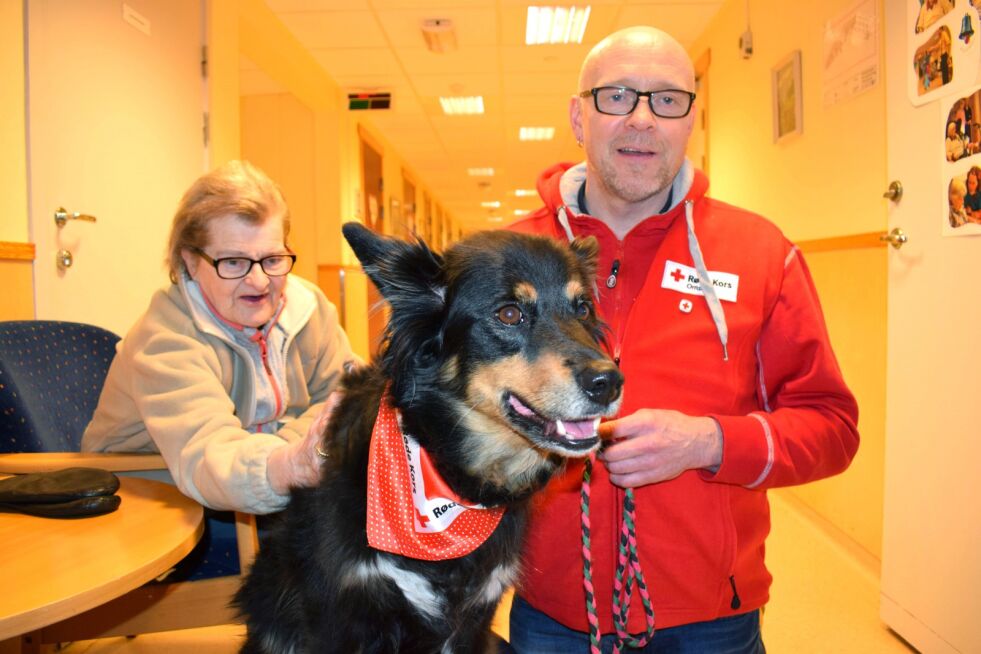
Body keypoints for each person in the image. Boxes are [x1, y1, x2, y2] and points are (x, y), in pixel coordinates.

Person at [507, 26, 859, 653]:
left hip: (711, 619)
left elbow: (832, 428)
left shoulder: (760, 254)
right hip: (552, 615)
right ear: (577, 115)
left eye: (667, 100)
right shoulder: (510, 257)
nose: (642, 119)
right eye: (617, 96)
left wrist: (711, 442)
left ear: (692, 118)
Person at [83, 160, 357, 514]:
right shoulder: (164, 339)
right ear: (190, 262)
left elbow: (344, 398)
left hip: (251, 484)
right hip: (152, 497)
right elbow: (209, 455)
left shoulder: (309, 308)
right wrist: (293, 459)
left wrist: (288, 449)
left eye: (272, 259)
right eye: (233, 262)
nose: (259, 282)